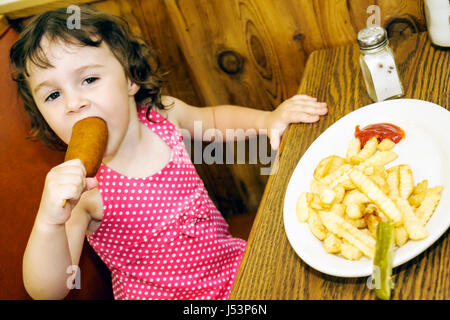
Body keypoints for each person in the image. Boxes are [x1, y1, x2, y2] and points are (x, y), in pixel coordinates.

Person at [9, 6, 327, 300]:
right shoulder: (83, 194)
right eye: (52, 94)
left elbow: (213, 120)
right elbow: (48, 290)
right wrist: (49, 221)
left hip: (233, 270)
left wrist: (267, 120)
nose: (73, 103)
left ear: (130, 78)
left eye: (89, 79)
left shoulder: (163, 116)